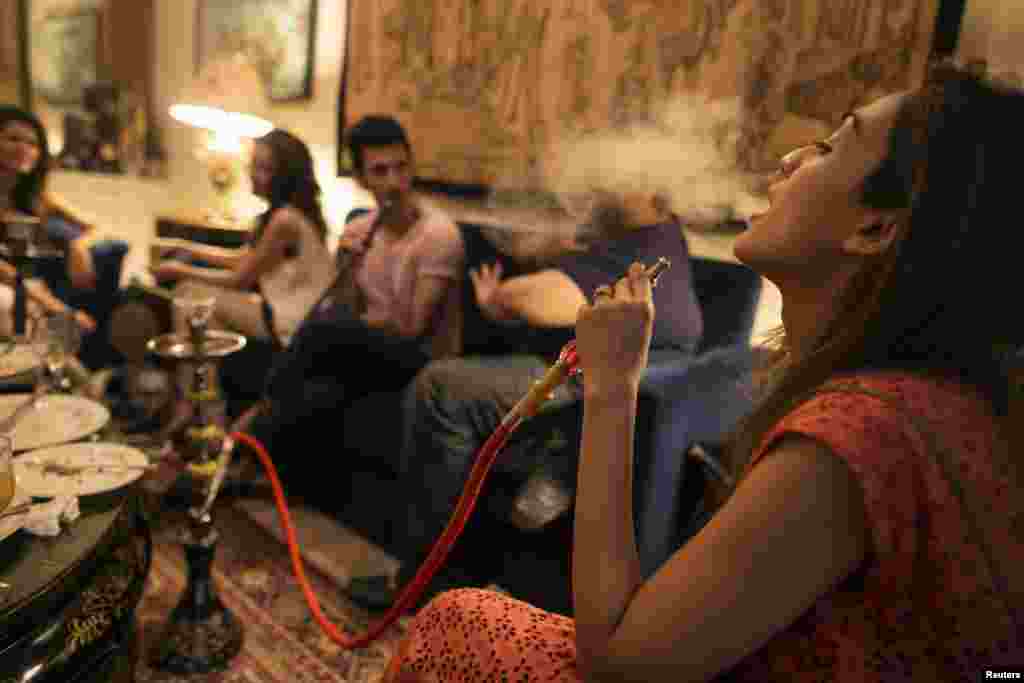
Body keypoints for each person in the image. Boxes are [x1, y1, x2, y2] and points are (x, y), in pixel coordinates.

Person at [381, 60, 1024, 682]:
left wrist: (612, 387)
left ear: (876, 227)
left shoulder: (861, 432)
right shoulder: (920, 394)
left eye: (829, 149)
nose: (789, 160)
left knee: (450, 624)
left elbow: (620, 660)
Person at [345, 190, 704, 610]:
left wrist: (498, 299)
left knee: (440, 387)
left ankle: (427, 578)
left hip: (595, 386)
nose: (596, 188)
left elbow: (538, 299)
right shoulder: (657, 233)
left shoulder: (647, 243)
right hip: (613, 377)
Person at [240, 115, 464, 469]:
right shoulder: (360, 230)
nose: (394, 182)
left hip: (422, 360)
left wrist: (352, 325)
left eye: (401, 167)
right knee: (311, 393)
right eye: (379, 172)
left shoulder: (439, 236)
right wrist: (348, 265)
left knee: (323, 330)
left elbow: (411, 329)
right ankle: (253, 465)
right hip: (371, 352)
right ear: (361, 179)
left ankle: (247, 428)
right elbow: (345, 308)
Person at [150, 128, 334, 348]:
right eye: (253, 165)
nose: (253, 174)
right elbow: (243, 259)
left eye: (264, 168)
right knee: (199, 299)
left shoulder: (286, 220)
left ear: (284, 176)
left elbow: (240, 279)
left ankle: (194, 376)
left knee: (190, 295)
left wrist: (177, 270)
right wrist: (187, 248)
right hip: (285, 314)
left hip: (292, 323)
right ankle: (214, 371)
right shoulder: (286, 213)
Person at [0, 105, 99, 337]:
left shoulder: (36, 198)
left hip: (28, 290)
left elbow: (93, 227)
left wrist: (78, 245)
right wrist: (57, 308)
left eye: (32, 143)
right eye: (13, 139)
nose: (23, 148)